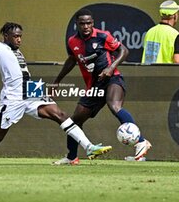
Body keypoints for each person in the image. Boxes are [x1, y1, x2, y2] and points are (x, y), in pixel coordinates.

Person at [0, 8, 112, 165]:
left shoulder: (17, 51)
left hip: (31, 90)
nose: (19, 39)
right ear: (6, 36)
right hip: (13, 97)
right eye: (15, 36)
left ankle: (89, 147)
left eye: (20, 36)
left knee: (59, 114)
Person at [53, 9, 152, 165]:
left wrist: (111, 68)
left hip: (113, 78)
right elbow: (72, 60)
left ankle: (141, 141)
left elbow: (124, 50)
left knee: (114, 106)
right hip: (94, 86)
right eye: (82, 23)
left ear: (93, 23)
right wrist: (58, 80)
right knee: (75, 120)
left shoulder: (102, 36)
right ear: (77, 24)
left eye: (89, 23)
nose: (86, 26)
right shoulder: (72, 41)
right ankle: (72, 157)